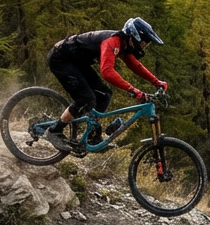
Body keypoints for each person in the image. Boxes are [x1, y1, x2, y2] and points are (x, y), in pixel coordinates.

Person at [44, 18, 167, 151]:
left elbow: (135, 65)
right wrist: (133, 90)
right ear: (135, 37)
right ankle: (54, 131)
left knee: (104, 94)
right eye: (143, 43)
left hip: (77, 63)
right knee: (85, 99)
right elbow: (107, 72)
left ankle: (92, 136)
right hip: (60, 59)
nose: (143, 46)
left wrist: (156, 82)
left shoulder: (124, 44)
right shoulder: (112, 42)